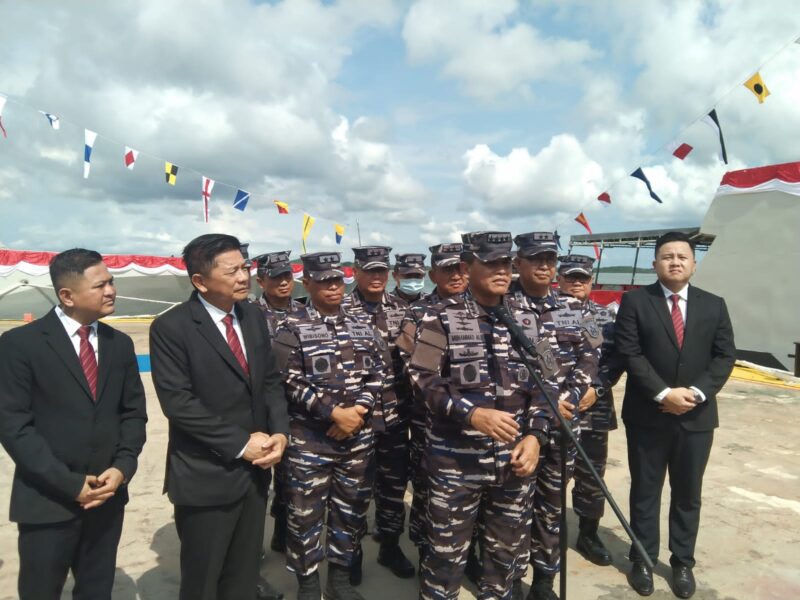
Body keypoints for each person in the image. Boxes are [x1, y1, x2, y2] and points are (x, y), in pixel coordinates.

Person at [0, 248, 148, 600]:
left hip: (107, 496)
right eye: (100, 285)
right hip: (47, 499)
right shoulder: (20, 344)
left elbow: (134, 413)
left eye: (111, 282)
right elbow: (14, 426)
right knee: (40, 590)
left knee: (97, 590)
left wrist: (122, 468)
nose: (111, 290)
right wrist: (68, 483)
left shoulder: (120, 345)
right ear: (66, 295)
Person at [149, 233, 289, 600]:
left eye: (245, 267)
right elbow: (179, 403)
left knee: (243, 575)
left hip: (256, 471)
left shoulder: (253, 316)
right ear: (200, 281)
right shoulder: (172, 328)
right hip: (205, 475)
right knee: (204, 577)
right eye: (233, 271)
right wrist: (242, 444)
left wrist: (280, 434)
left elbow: (270, 382)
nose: (244, 277)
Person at [409, 231, 548, 600]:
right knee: (445, 560)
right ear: (467, 267)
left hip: (513, 463)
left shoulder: (529, 320)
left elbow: (547, 385)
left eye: (506, 263)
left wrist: (535, 437)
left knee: (505, 558)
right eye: (491, 263)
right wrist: (472, 415)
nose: (501, 270)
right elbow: (423, 380)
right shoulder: (440, 317)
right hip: (455, 463)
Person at [615, 231, 735, 599]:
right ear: (655, 264)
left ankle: (682, 562)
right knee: (645, 491)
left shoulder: (714, 305)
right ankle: (642, 559)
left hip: (696, 419)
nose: (675, 261)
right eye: (667, 256)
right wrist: (664, 393)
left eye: (683, 256)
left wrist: (696, 393)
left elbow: (724, 355)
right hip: (648, 415)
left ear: (694, 264)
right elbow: (630, 352)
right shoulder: (636, 302)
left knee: (688, 493)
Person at [270, 251, 384, 600]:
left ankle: (339, 582)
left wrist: (358, 412)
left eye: (337, 280)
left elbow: (378, 373)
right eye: (324, 281)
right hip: (309, 442)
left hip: (355, 441)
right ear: (308, 283)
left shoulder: (362, 324)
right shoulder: (291, 327)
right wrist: (333, 412)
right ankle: (307, 584)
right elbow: (284, 379)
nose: (333, 287)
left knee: (349, 514)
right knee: (304, 517)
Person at [507, 232, 599, 600]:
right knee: (512, 504)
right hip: (520, 426)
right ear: (518, 263)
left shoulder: (577, 309)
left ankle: (544, 578)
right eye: (535, 258)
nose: (544, 265)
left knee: (551, 504)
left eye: (549, 259)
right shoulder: (499, 307)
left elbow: (591, 357)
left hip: (564, 423)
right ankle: (510, 577)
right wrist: (542, 403)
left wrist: (570, 396)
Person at [342, 246, 416, 581]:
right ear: (355, 272)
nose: (376, 277)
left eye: (381, 271)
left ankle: (389, 545)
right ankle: (351, 554)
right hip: (355, 418)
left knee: (393, 486)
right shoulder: (338, 308)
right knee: (354, 488)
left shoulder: (403, 310)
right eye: (369, 271)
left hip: (396, 415)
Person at [396, 242, 468, 560]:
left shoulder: (488, 309)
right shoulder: (418, 313)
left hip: (481, 428)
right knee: (428, 491)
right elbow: (417, 371)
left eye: (460, 267)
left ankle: (471, 555)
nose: (455, 274)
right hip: (432, 421)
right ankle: (429, 553)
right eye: (447, 269)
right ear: (432, 274)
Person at [556, 254, 625, 567]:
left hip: (593, 408)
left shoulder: (603, 317)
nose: (576, 283)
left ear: (591, 280)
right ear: (559, 279)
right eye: (570, 277)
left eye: (582, 278)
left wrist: (595, 391)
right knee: (549, 474)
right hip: (555, 405)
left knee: (592, 475)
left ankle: (588, 533)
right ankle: (542, 532)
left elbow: (615, 360)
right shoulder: (543, 312)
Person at [252, 251, 304, 560]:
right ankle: (250, 546)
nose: (284, 282)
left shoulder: (305, 312)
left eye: (287, 276)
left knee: (292, 476)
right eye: (276, 278)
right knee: (258, 477)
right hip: (262, 406)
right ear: (261, 281)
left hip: (299, 407)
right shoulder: (249, 315)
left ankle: (283, 532)